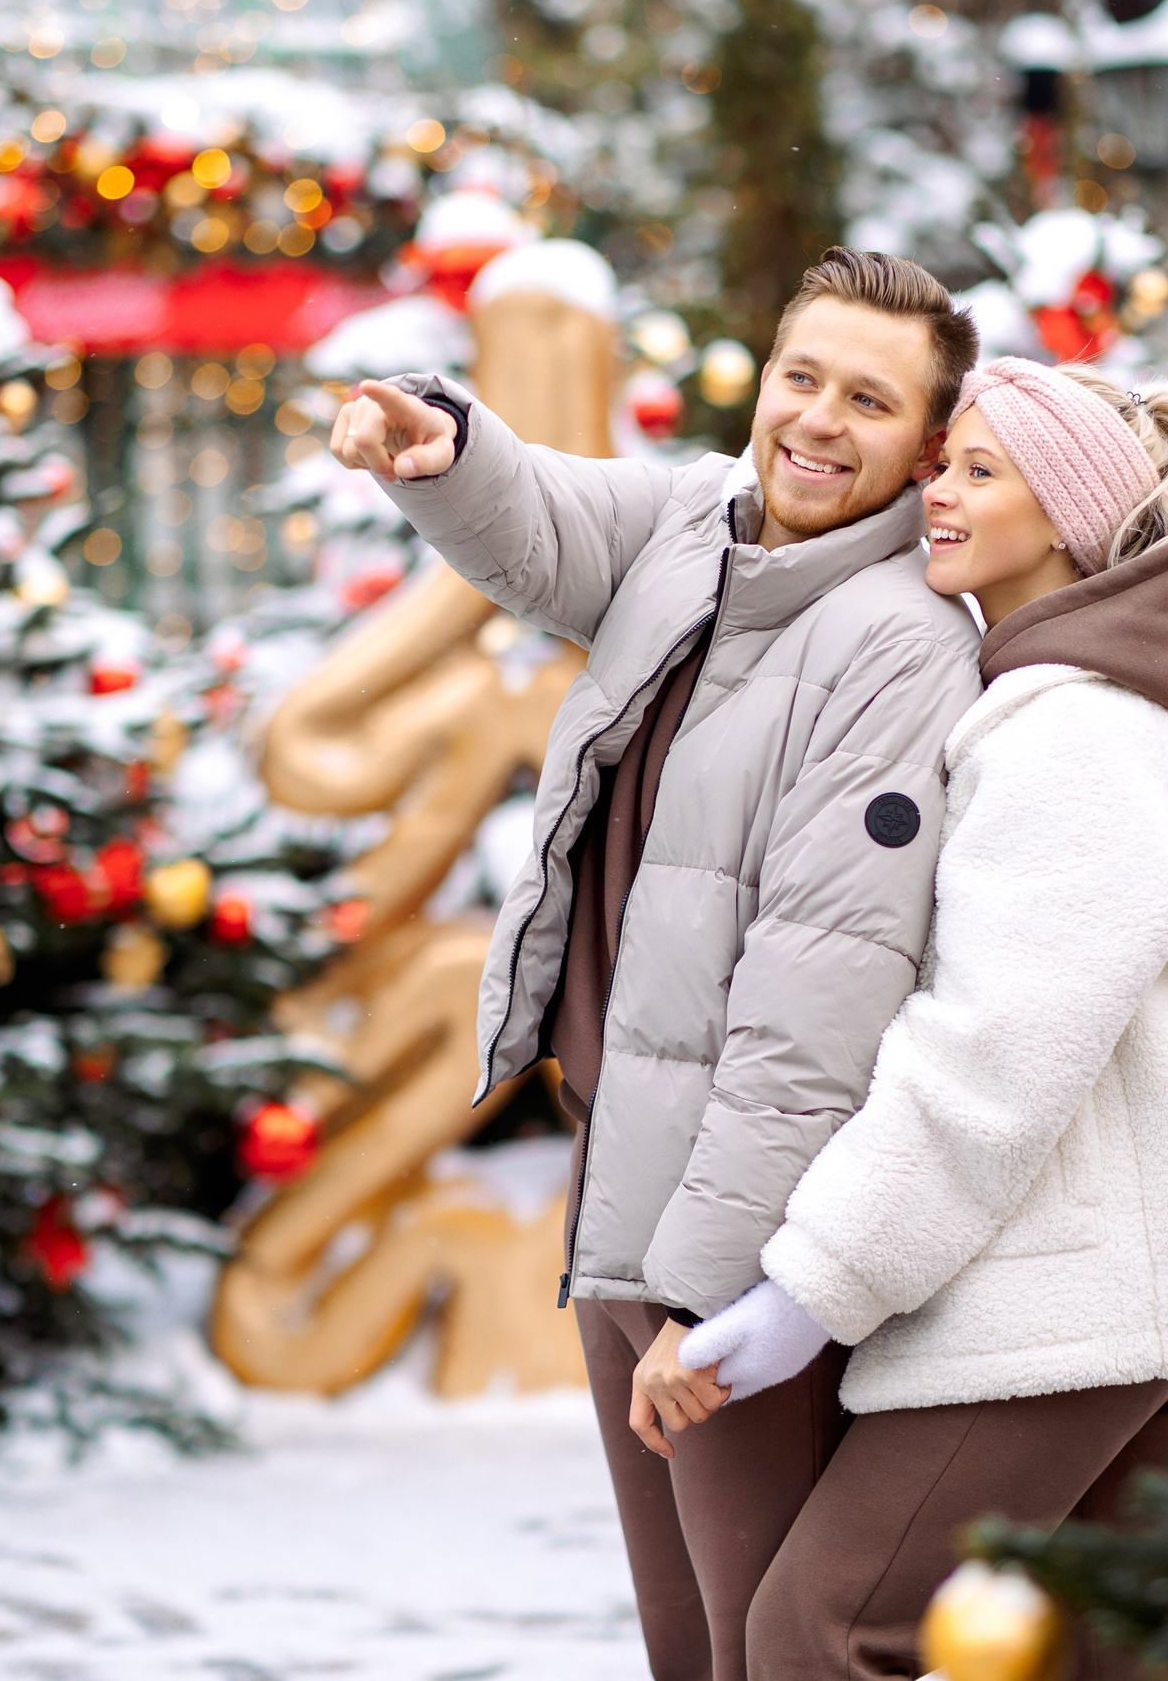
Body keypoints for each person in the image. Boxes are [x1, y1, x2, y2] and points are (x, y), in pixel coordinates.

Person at [327, 249, 984, 1681]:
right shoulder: (699, 521)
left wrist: (712, 1291)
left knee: (770, 1649)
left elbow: (820, 1004)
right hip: (624, 1170)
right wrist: (445, 444)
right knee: (690, 1647)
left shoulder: (900, 642)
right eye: (799, 376)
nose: (816, 419)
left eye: (868, 401)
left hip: (734, 1237)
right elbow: (548, 516)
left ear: (931, 445)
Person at [679, 357, 1168, 1679]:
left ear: (1065, 517)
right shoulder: (1063, 703)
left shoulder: (1074, 733)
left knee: (825, 1629)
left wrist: (815, 1286)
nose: (933, 493)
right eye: (941, 462)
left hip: (1083, 1294)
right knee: (1101, 1657)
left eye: (977, 472)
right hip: (1138, 1269)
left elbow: (995, 1054)